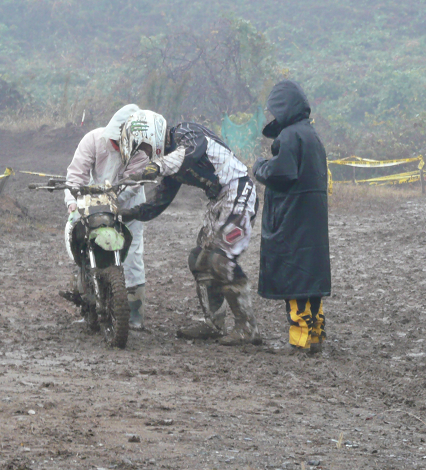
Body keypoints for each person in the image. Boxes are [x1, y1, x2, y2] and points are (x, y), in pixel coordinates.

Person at [118, 110, 261, 346]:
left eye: (142, 148)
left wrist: (158, 165)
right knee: (199, 259)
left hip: (239, 189)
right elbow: (157, 204)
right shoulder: (173, 162)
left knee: (220, 260)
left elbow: (193, 151)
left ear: (151, 135)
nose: (144, 156)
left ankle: (247, 327)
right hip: (220, 199)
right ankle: (213, 323)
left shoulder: (185, 132)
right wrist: (130, 213)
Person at [252, 80, 331, 354]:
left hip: (292, 222)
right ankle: (316, 336)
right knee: (311, 280)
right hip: (313, 223)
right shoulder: (312, 136)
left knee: (294, 279)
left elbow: (281, 173)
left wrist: (260, 166)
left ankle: (300, 342)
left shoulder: (289, 137)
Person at [63, 104, 149, 329]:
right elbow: (76, 174)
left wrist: (114, 200)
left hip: (128, 204)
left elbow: (134, 181)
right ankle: (86, 297)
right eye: (115, 142)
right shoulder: (92, 140)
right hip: (93, 200)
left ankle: (134, 312)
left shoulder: (141, 150)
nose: (117, 146)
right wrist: (72, 201)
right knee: (77, 238)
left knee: (132, 253)